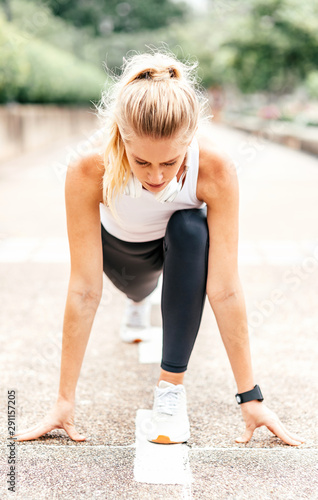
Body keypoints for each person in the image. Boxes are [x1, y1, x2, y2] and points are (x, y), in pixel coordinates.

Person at [13, 50, 304, 446]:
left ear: (191, 138)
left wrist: (250, 397)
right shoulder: (89, 168)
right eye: (141, 161)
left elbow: (225, 287)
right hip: (120, 259)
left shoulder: (215, 169)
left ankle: (170, 392)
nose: (155, 176)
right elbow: (83, 289)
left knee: (190, 226)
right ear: (120, 136)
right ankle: (137, 304)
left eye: (169, 162)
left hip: (173, 253)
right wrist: (63, 401)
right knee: (137, 289)